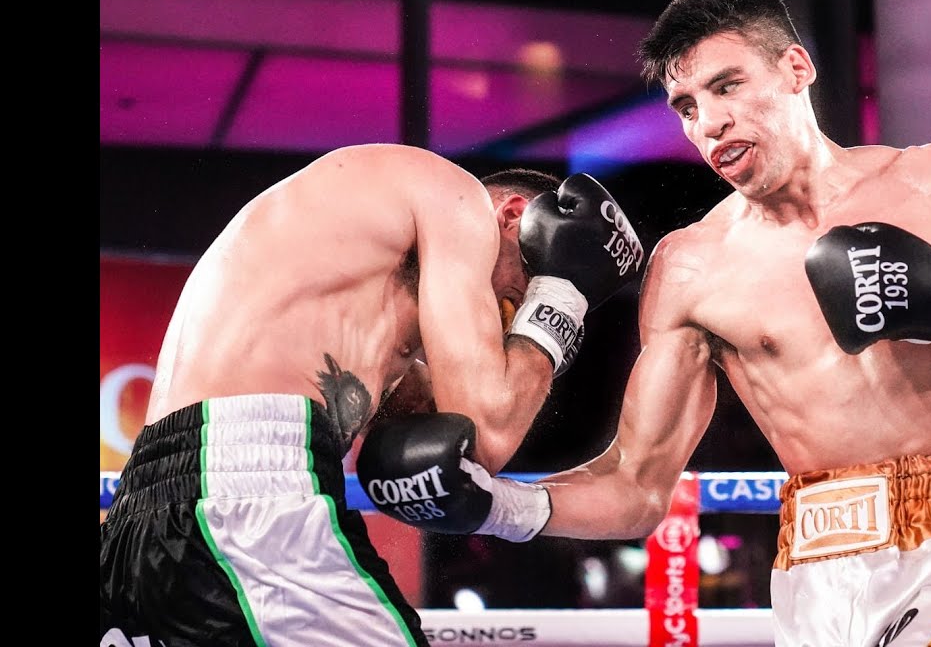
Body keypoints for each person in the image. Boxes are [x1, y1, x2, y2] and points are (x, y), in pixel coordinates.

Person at [365, 0, 931, 647]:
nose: (709, 123)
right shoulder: (690, 269)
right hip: (819, 570)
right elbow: (635, 483)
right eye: (687, 107)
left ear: (796, 68)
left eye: (727, 86)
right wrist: (492, 505)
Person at [98, 143, 645, 647]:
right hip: (250, 503)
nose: (505, 319)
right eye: (518, 295)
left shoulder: (358, 302)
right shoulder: (456, 197)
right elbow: (488, 433)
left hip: (142, 525)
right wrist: (560, 298)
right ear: (513, 217)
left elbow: (446, 435)